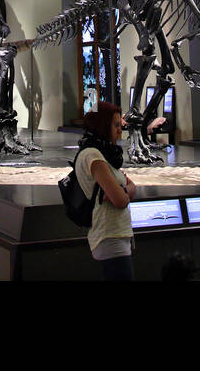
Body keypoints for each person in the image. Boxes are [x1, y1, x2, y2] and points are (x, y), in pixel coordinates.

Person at [73, 102, 136, 280]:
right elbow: (120, 200)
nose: (119, 131)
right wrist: (123, 191)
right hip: (110, 236)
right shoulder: (93, 157)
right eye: (115, 125)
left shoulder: (104, 156)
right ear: (102, 125)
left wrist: (122, 189)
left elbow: (130, 188)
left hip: (116, 235)